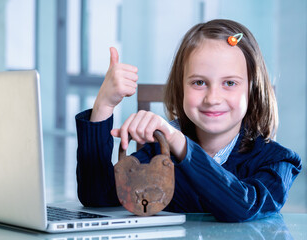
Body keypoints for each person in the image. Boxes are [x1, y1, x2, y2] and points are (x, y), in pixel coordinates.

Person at [75, 19, 302, 222]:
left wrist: (182, 145)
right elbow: (98, 195)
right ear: (180, 87)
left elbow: (242, 206)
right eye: (199, 82)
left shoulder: (278, 162)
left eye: (230, 83)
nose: (213, 98)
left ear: (252, 90)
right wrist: (103, 105)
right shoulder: (160, 154)